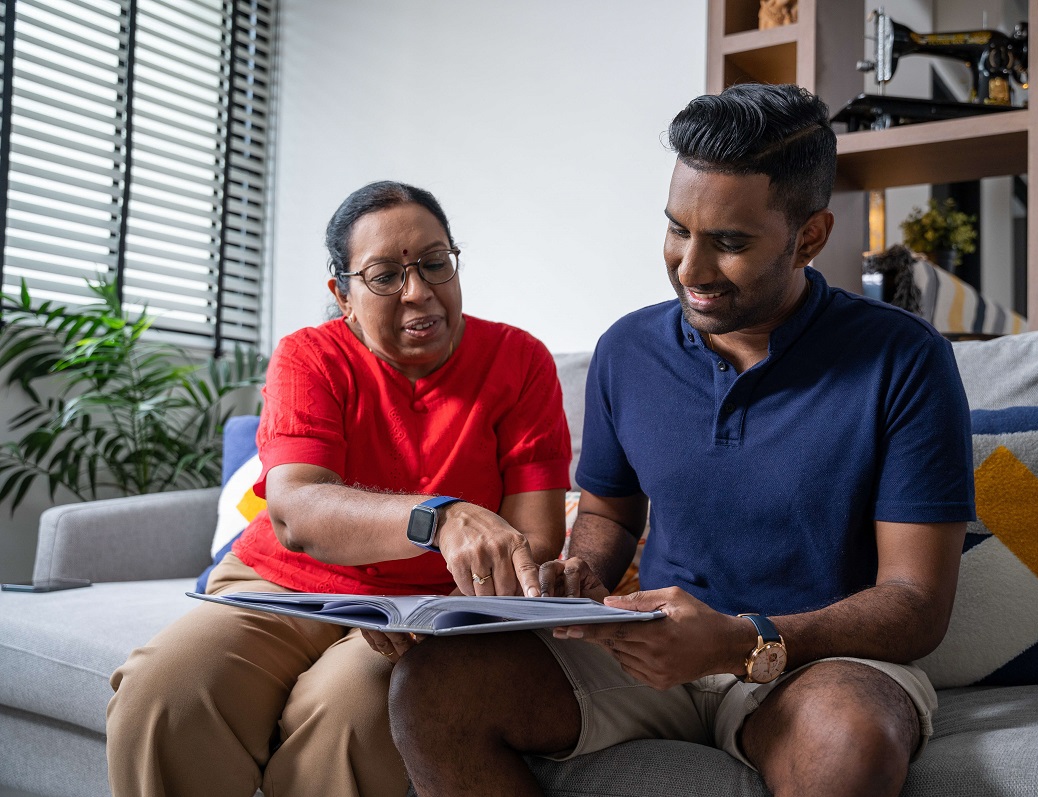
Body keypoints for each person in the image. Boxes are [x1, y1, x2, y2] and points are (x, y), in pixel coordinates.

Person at [388, 84, 975, 797]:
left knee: (848, 741)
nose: (689, 270)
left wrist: (737, 637)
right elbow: (608, 513)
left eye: (729, 243)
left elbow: (915, 603)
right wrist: (580, 572)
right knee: (433, 687)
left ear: (809, 237)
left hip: (814, 662)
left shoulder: (902, 358)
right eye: (677, 229)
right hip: (641, 650)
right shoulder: (627, 349)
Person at [106, 181, 572, 797]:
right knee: (165, 691)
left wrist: (444, 613)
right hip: (281, 586)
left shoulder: (519, 360)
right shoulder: (309, 357)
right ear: (343, 295)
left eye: (436, 263)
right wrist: (440, 516)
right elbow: (296, 510)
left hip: (429, 613)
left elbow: (533, 542)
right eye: (384, 275)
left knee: (349, 713)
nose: (420, 291)